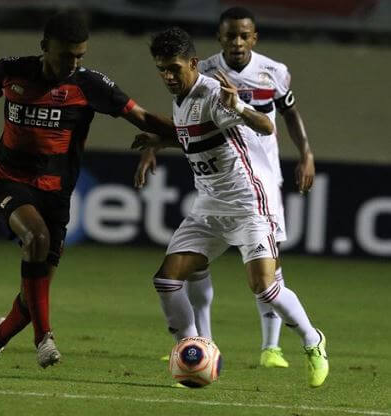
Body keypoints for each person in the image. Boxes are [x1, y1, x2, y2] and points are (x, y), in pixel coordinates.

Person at [0, 10, 176, 371]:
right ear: (44, 47)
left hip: (56, 193)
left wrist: (193, 134)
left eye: (80, 56)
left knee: (32, 295)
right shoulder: (11, 70)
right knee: (36, 238)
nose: (73, 63)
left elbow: (143, 117)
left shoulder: (91, 86)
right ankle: (45, 338)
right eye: (65, 55)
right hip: (7, 180)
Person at [131, 27, 328, 387]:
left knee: (265, 288)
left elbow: (266, 125)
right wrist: (159, 142)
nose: (168, 77)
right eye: (162, 69)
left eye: (174, 68)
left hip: (248, 204)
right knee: (167, 279)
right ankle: (192, 349)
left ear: (193, 63)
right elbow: (195, 139)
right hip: (208, 208)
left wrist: (237, 103)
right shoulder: (182, 99)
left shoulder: (212, 94)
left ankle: (313, 341)